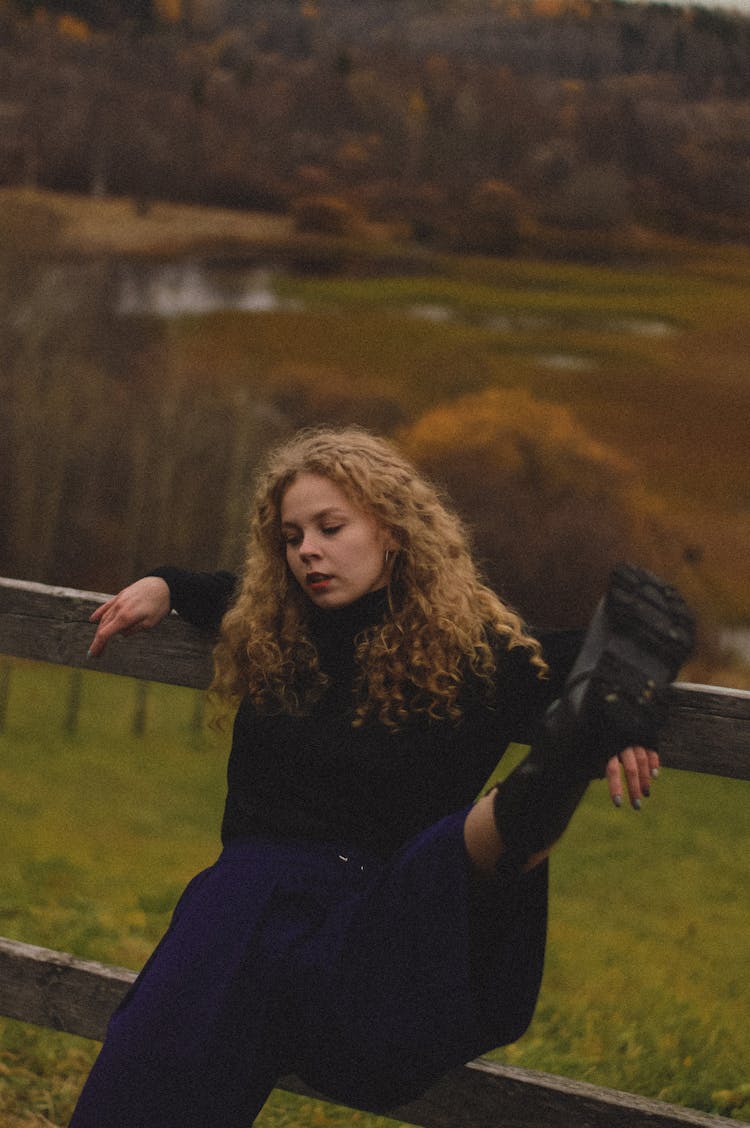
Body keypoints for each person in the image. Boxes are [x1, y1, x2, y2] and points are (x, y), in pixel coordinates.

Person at [71, 425, 694, 1128]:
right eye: (292, 535)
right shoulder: (275, 623)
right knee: (142, 1086)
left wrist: (625, 725)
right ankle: (561, 765)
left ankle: (557, 770)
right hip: (244, 911)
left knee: (449, 852)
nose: (308, 549)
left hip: (380, 927)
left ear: (392, 530)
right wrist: (161, 583)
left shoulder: (476, 651)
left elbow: (595, 662)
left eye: (331, 527)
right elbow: (216, 589)